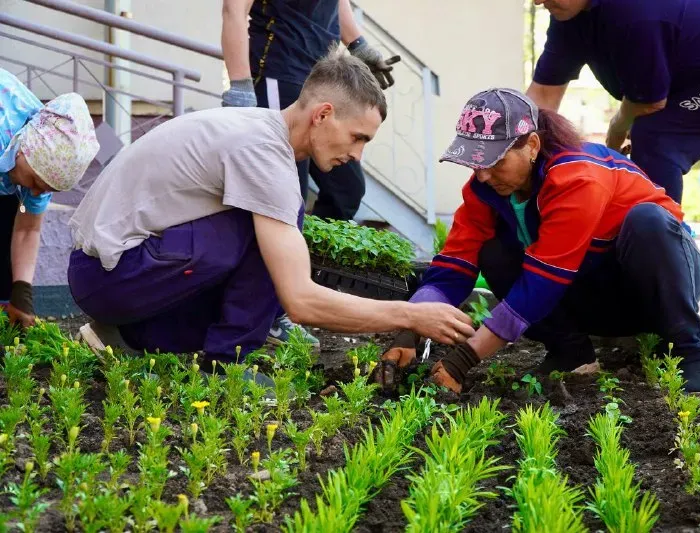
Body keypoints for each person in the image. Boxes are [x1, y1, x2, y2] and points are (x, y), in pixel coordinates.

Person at [68, 49, 474, 372]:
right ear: (323, 115)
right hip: (110, 275)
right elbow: (300, 300)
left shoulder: (259, 130)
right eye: (357, 137)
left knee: (278, 237)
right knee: (273, 233)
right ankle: (229, 363)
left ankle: (125, 335)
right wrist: (410, 314)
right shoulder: (263, 155)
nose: (356, 154)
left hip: (110, 273)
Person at [374, 88, 700, 395]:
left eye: (495, 161)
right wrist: (410, 330)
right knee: (492, 251)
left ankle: (689, 347)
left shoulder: (578, 176)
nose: (483, 175)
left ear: (532, 145)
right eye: (475, 162)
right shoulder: (484, 189)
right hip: (597, 297)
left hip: (662, 286)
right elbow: (453, 265)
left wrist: (463, 360)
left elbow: (542, 283)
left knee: (647, 221)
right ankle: (571, 352)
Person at [526, 0, 700, 338]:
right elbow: (542, 96)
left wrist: (616, 128)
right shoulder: (568, 16)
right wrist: (504, 153)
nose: (538, 0)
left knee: (656, 138)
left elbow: (649, 102)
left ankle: (670, 320)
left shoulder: (632, 11)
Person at [221, 0, 399, 346]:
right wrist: (240, 84)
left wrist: (359, 44)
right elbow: (233, 9)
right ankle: (271, 312)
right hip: (278, 71)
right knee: (284, 200)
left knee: (348, 190)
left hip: (321, 72)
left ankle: (300, 286)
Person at [0, 68, 99, 328]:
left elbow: (27, 229)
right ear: (24, 151)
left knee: (13, 214)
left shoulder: (40, 168)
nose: (36, 193)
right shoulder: (7, 134)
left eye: (45, 189)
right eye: (35, 182)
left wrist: (22, 291)